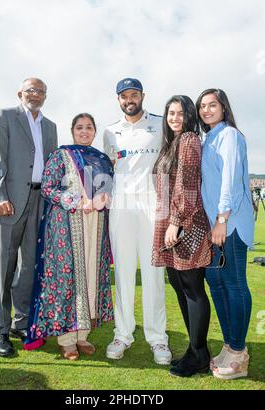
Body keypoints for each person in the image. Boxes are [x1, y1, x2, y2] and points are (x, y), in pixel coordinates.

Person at [23, 113, 114, 360]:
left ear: (95, 131)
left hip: (96, 223)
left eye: (89, 127)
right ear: (72, 130)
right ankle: (66, 340)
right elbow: (48, 188)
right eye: (80, 127)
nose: (84, 131)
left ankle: (82, 335)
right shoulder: (60, 155)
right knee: (67, 277)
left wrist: (104, 199)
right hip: (65, 225)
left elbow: (110, 189)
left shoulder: (102, 159)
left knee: (91, 274)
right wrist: (74, 200)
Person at [0, 78, 58, 357]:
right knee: (3, 267)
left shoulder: (50, 126)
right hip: (10, 202)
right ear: (20, 93)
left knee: (29, 267)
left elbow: (52, 166)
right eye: (31, 90)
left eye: (41, 91)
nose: (36, 95)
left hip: (40, 202)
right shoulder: (4, 116)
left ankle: (21, 322)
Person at [103, 78, 171, 365]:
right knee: (124, 274)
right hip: (121, 207)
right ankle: (123, 334)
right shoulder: (109, 132)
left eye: (134, 94)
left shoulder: (160, 125)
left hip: (152, 207)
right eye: (124, 96)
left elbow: (169, 165)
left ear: (143, 95)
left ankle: (158, 339)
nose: (129, 99)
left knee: (155, 274)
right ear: (118, 99)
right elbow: (107, 171)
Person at [152, 95, 212, 377]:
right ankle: (194, 348)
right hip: (170, 221)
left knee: (192, 288)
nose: (174, 118)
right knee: (179, 286)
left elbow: (188, 185)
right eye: (170, 113)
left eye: (180, 113)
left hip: (187, 223)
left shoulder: (188, 140)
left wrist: (175, 223)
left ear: (189, 116)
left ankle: (199, 353)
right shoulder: (170, 144)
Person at [196, 88, 254, 379]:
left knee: (233, 284)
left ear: (223, 107)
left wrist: (221, 218)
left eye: (212, 105)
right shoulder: (208, 138)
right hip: (213, 226)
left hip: (228, 223)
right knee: (216, 282)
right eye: (202, 106)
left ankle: (239, 351)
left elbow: (231, 179)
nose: (206, 110)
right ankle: (231, 344)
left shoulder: (229, 135)